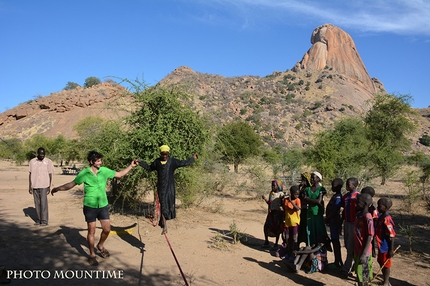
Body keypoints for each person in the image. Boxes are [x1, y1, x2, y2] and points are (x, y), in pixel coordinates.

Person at [52, 151, 138, 266]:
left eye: (100, 160)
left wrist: (131, 166)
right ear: (91, 162)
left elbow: (119, 174)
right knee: (91, 231)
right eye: (98, 160)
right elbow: (72, 184)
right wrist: (58, 188)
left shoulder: (104, 171)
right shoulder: (85, 173)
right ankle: (92, 254)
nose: (100, 162)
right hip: (90, 206)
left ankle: (100, 245)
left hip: (102, 205)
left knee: (107, 229)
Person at [138, 145, 198, 235]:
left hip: (170, 188)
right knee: (163, 205)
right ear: (160, 153)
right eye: (163, 154)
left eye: (166, 154)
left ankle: (163, 223)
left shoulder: (172, 161)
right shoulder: (157, 162)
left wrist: (192, 158)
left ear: (168, 154)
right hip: (161, 188)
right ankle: (164, 225)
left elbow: (183, 163)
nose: (164, 156)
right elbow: (149, 168)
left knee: (167, 205)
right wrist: (140, 162)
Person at [29, 147, 54, 226]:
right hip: (35, 185)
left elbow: (50, 174)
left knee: (43, 203)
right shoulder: (32, 162)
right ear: (38, 153)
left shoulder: (48, 162)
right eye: (40, 154)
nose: (42, 156)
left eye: (43, 154)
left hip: (44, 185)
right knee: (37, 203)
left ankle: (44, 220)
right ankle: (38, 219)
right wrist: (30, 186)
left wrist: (49, 186)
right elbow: (30, 174)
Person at [353, 193, 374, 286]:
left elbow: (370, 236)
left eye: (358, 202)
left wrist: (364, 254)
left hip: (363, 252)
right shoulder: (358, 214)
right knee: (359, 273)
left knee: (364, 276)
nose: (356, 204)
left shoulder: (368, 218)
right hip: (358, 250)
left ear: (365, 204)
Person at [303, 171, 328, 246]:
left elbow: (319, 201)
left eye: (313, 178)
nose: (311, 179)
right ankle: (311, 248)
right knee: (310, 232)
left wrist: (308, 199)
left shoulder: (321, 189)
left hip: (318, 214)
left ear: (318, 179)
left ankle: (319, 249)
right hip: (310, 214)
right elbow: (306, 200)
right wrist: (314, 201)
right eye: (311, 178)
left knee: (319, 231)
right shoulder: (307, 189)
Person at [375, 197, 396, 286]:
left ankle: (386, 282)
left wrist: (391, 249)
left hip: (386, 246)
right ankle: (384, 280)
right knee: (380, 261)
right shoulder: (381, 216)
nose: (378, 208)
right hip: (381, 245)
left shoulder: (387, 219)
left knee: (386, 264)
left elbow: (392, 235)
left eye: (379, 206)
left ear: (386, 207)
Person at [342, 177, 360, 275]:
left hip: (354, 223)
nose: (347, 186)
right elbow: (343, 210)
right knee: (347, 243)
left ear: (354, 185)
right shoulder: (346, 196)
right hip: (346, 222)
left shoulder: (358, 196)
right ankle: (351, 265)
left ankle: (347, 267)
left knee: (351, 245)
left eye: (348, 184)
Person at [325, 177, 344, 268]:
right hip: (332, 221)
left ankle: (338, 261)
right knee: (334, 240)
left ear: (339, 187)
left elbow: (335, 210)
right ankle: (337, 261)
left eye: (334, 185)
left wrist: (327, 218)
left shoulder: (338, 197)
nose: (332, 187)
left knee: (335, 241)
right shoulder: (335, 196)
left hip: (335, 221)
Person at [262, 180, 284, 250]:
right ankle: (266, 241)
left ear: (278, 186)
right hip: (271, 213)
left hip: (278, 214)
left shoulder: (281, 194)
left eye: (274, 185)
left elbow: (283, 202)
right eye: (272, 185)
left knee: (277, 229)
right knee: (266, 227)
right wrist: (265, 199)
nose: (272, 187)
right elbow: (269, 203)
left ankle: (276, 243)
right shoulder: (271, 193)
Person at [282, 185, 301, 255]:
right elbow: (285, 209)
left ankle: (294, 252)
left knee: (294, 238)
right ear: (291, 193)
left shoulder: (297, 200)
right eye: (295, 194)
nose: (297, 195)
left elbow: (297, 209)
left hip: (295, 222)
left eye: (298, 194)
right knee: (287, 238)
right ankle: (289, 251)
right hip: (287, 222)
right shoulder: (286, 200)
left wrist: (292, 202)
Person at [361, 186, 378, 258]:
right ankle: (372, 252)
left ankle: (372, 252)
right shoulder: (371, 203)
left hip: (371, 223)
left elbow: (375, 216)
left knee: (370, 238)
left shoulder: (372, 205)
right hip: (371, 223)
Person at [298, 172, 311, 246]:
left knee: (306, 227)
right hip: (302, 210)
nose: (302, 181)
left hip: (307, 210)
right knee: (301, 226)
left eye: (304, 180)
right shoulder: (302, 188)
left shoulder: (309, 189)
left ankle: (308, 244)